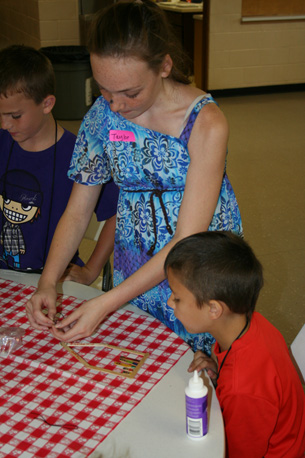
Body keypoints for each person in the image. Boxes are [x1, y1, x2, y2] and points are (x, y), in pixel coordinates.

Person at [25, 0, 242, 353]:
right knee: (139, 358)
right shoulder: (102, 116)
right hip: (134, 259)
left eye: (130, 92)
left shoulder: (205, 123)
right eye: (104, 90)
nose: (116, 106)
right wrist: (48, 282)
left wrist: (106, 302)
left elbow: (186, 239)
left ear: (164, 66)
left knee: (198, 371)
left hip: (197, 274)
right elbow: (78, 211)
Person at [164, 231, 305, 458]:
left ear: (214, 309)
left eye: (177, 297)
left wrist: (230, 382)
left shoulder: (243, 389)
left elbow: (238, 453)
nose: (170, 302)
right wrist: (222, 373)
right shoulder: (255, 324)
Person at [0, 44, 118, 275]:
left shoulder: (81, 154)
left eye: (15, 116)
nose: (5, 124)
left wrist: (92, 270)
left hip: (56, 276)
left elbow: (117, 214)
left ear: (47, 104)